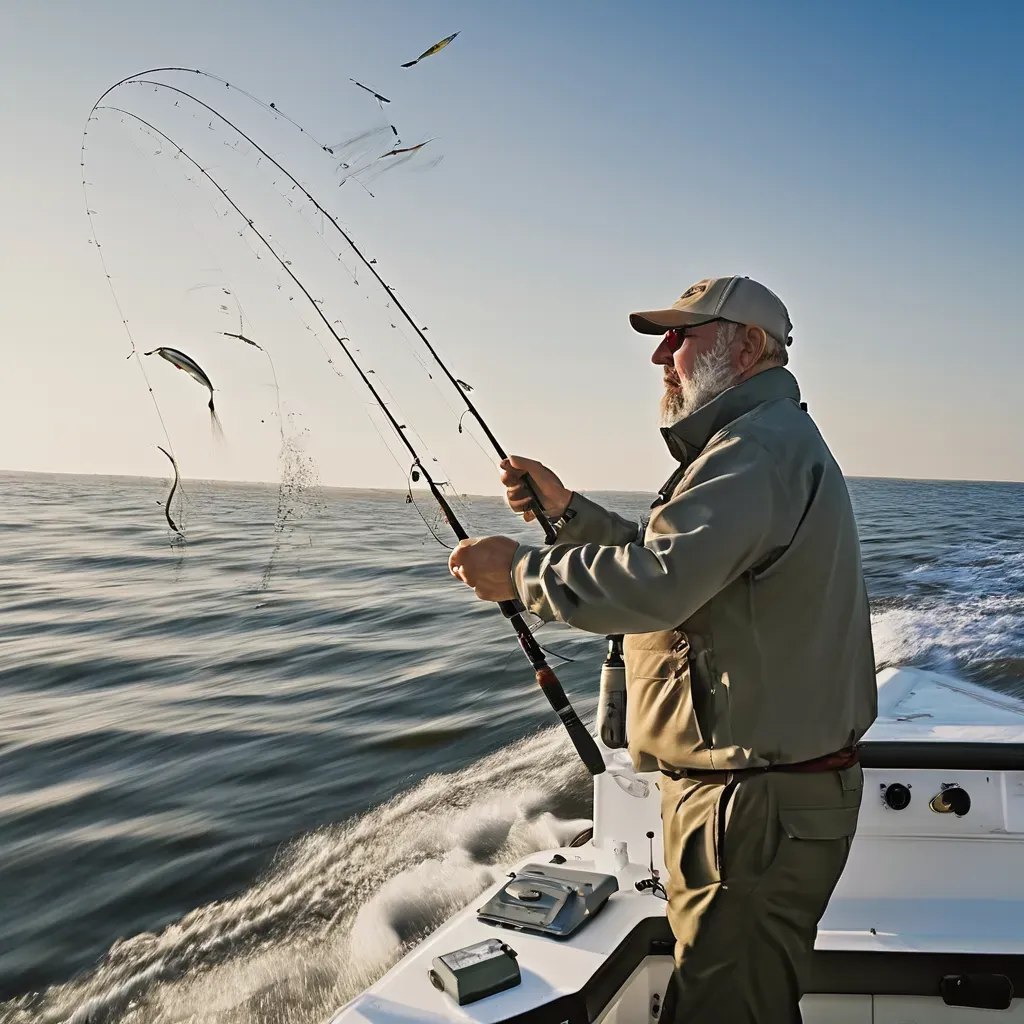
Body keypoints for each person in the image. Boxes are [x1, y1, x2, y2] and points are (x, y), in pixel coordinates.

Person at [448, 275, 877, 1023]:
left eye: (683, 335)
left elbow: (658, 582)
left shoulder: (756, 448)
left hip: (752, 810)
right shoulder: (756, 444)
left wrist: (518, 573)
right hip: (749, 804)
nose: (662, 356)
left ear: (748, 346)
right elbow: (684, 566)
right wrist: (566, 513)